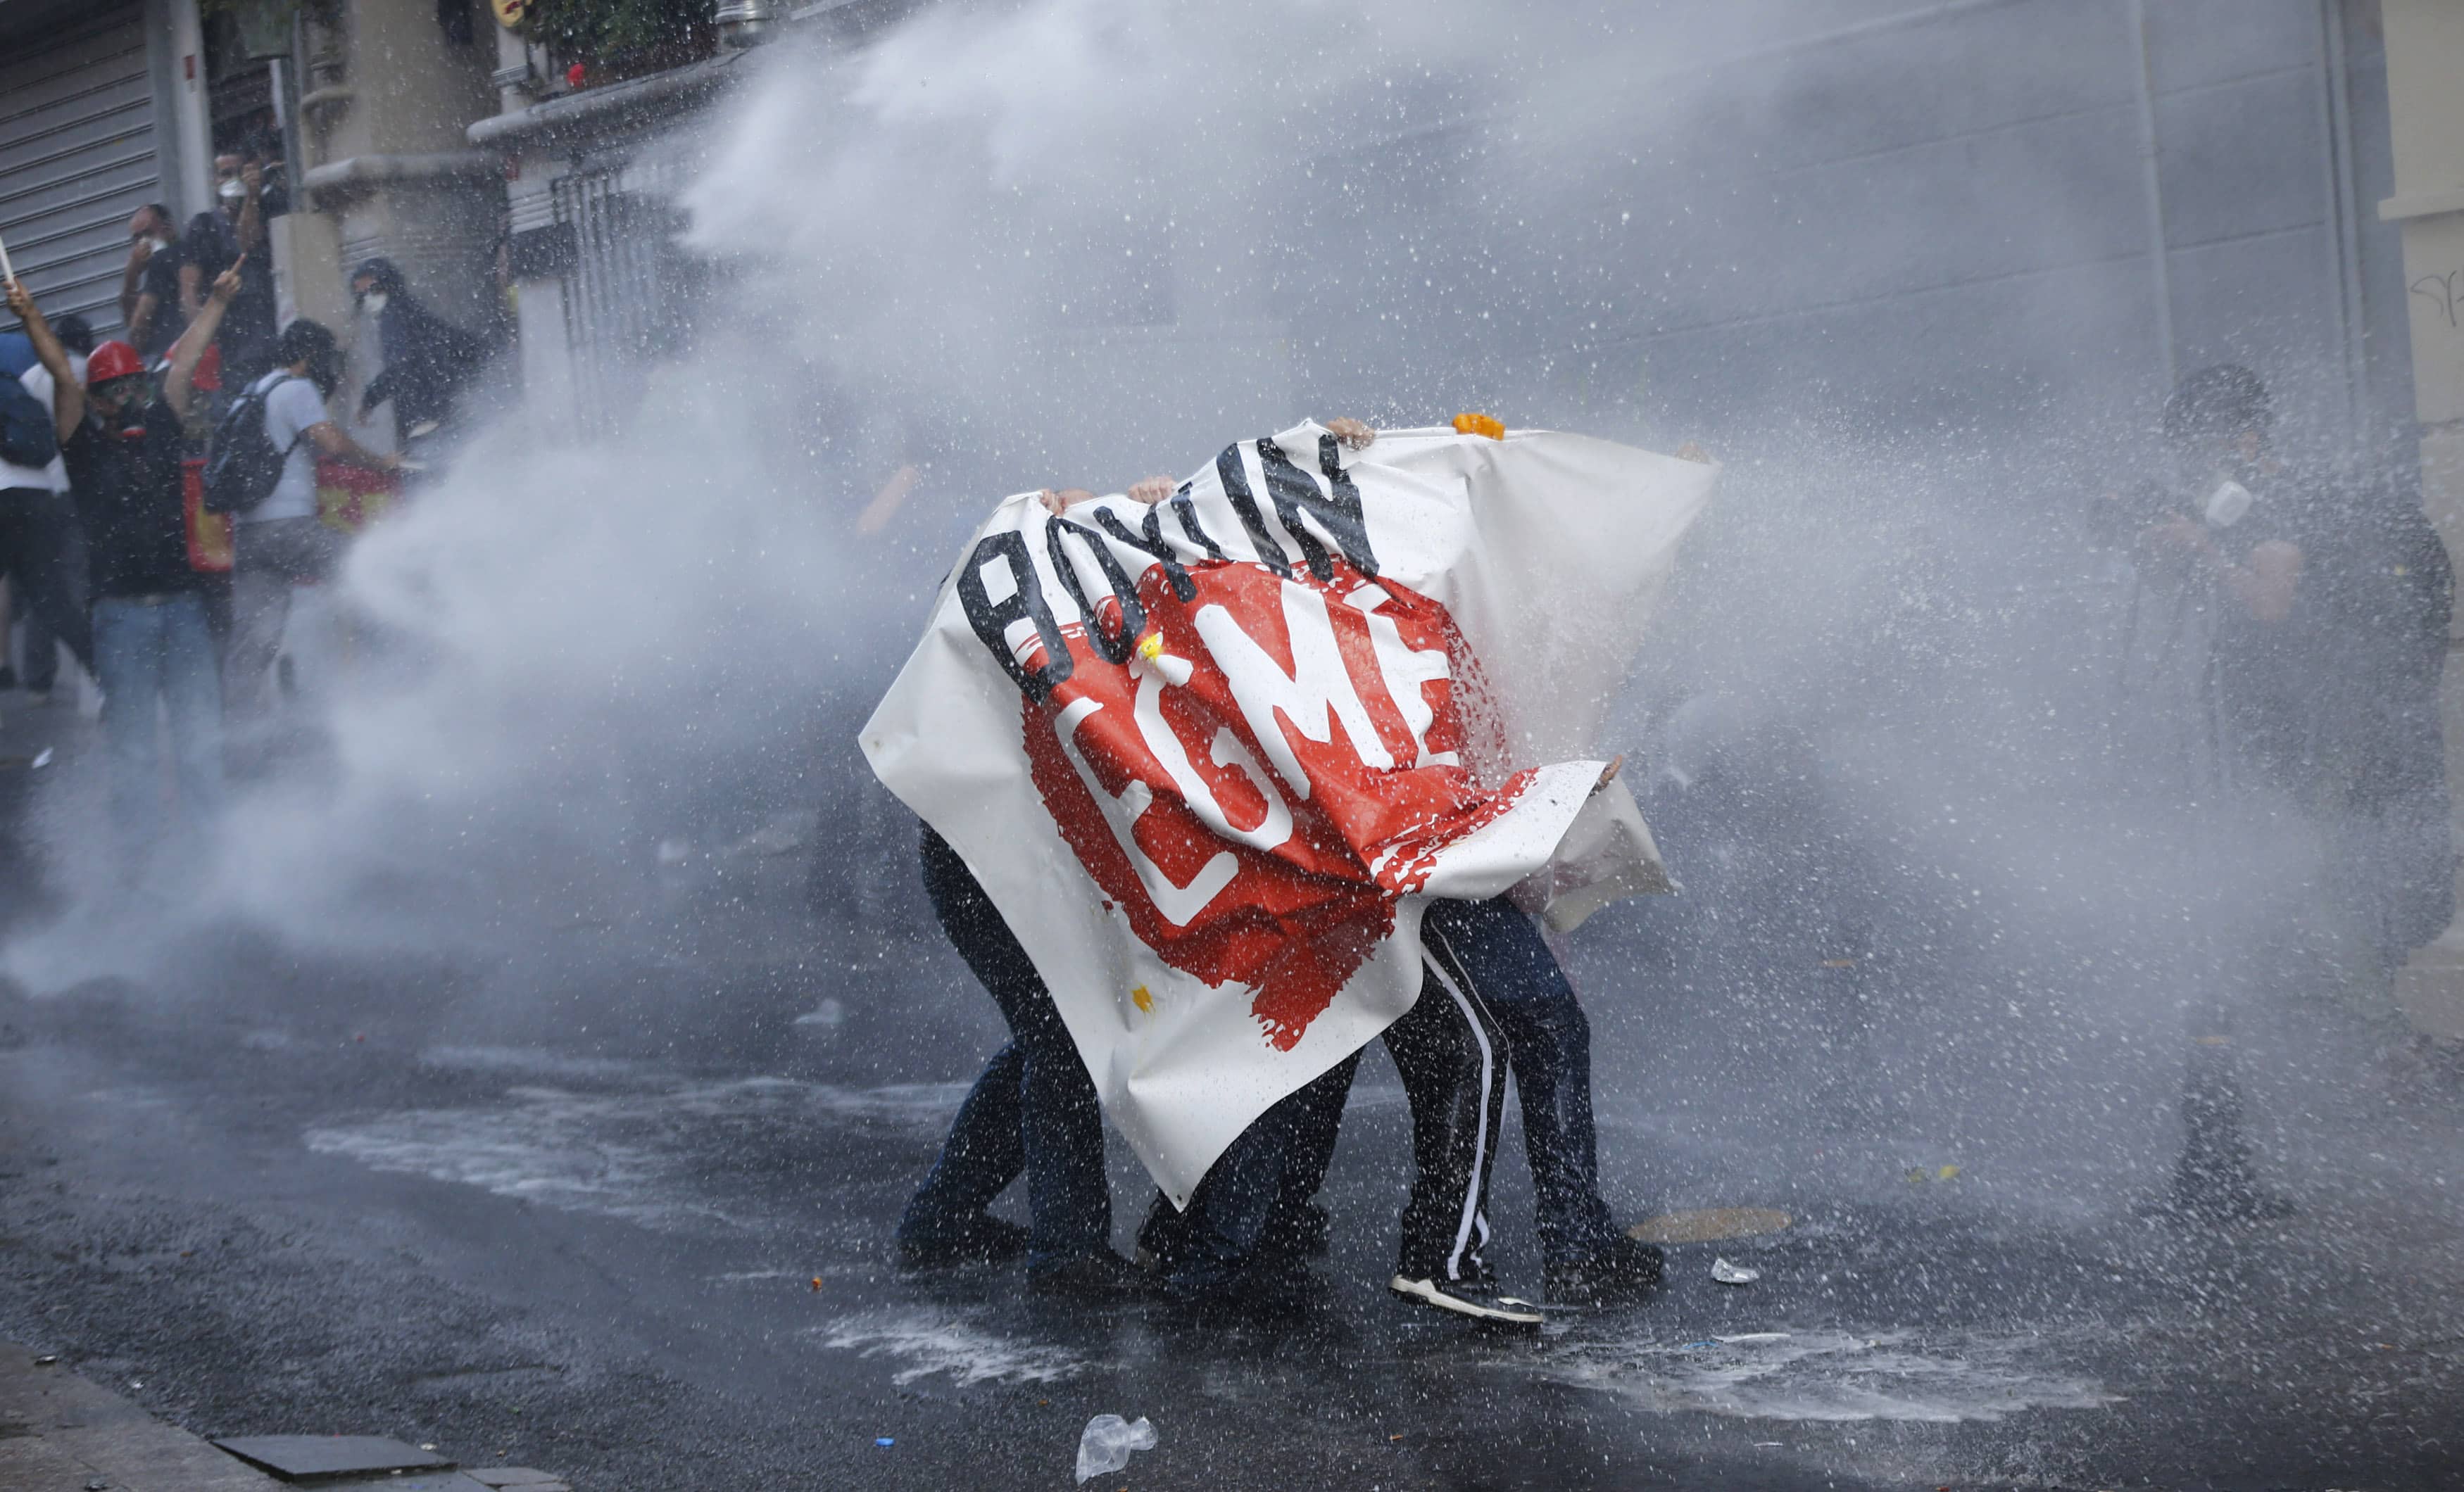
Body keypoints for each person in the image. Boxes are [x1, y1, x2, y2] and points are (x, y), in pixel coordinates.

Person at [895, 824, 1143, 1298]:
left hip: (996, 847)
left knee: (1054, 1032)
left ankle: (944, 1216)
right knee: (1061, 1036)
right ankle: (1068, 1250)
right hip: (990, 851)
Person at [61, 278, 233, 861]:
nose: (127, 397)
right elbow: (63, 383)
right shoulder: (83, 450)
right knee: (133, 750)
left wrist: (217, 303)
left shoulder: (161, 429)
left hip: (182, 609)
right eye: (112, 389)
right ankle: (138, 866)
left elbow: (182, 369)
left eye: (133, 384)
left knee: (201, 742)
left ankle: (215, 859)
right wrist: (29, 314)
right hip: (121, 617)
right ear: (96, 399)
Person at [223, 319, 398, 725]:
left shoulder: (247, 397)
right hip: (290, 531)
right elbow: (333, 444)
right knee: (370, 569)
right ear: (307, 357)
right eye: (324, 358)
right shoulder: (296, 388)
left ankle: (237, 745)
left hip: (250, 538)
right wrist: (380, 462)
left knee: (252, 647)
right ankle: (395, 686)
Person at [0, 280, 98, 690]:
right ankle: (102, 669)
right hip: (44, 494)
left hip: (5, 494)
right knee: (51, 596)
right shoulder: (26, 371)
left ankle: (27, 676)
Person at [348, 258, 491, 447]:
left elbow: (401, 365)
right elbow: (458, 342)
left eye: (373, 290)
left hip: (426, 412)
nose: (367, 299)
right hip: (442, 404)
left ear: (387, 285)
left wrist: (370, 399)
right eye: (361, 295)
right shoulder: (410, 310)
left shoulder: (394, 316)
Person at [180, 152, 279, 386]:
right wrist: (202, 340)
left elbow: (248, 242)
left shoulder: (268, 208)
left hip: (269, 327)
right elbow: (188, 291)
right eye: (226, 174)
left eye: (240, 172)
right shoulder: (203, 225)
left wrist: (252, 196)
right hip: (227, 336)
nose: (234, 180)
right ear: (215, 180)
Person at [118, 204, 187, 362]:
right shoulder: (157, 266)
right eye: (137, 239)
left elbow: (136, 331)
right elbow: (131, 320)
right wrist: (132, 275)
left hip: (171, 355)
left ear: (168, 228)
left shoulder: (166, 259)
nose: (144, 243)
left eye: (148, 233)